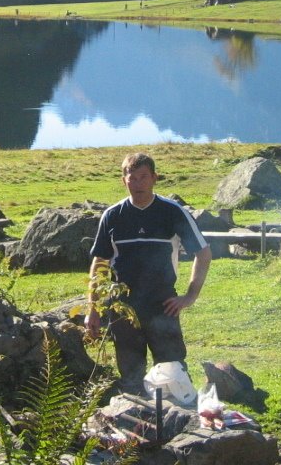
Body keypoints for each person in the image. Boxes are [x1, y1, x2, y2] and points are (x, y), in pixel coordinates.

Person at [85, 153, 211, 396]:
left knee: (173, 372)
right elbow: (99, 262)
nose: (138, 183)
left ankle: (181, 418)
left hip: (162, 304)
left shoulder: (172, 212)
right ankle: (137, 420)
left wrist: (189, 296)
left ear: (154, 178)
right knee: (131, 374)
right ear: (124, 181)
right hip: (122, 306)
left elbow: (203, 254)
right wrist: (93, 307)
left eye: (144, 177)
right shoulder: (113, 215)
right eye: (132, 178)